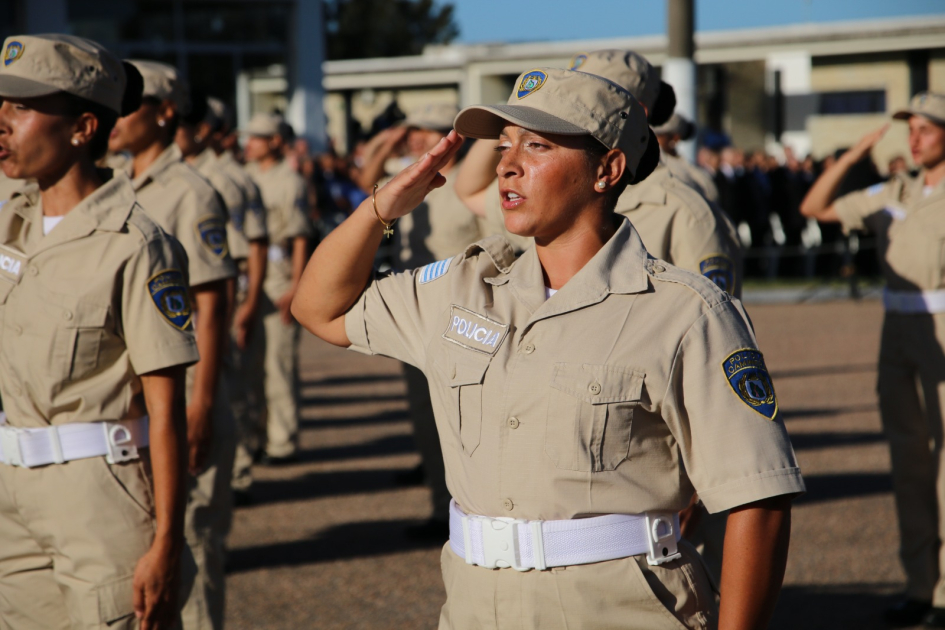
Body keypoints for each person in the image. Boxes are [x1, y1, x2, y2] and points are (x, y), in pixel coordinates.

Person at [293, 67, 804, 630]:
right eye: (504, 145)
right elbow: (319, 310)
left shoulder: (684, 312)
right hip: (475, 608)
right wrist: (380, 208)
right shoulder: (465, 289)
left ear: (607, 169)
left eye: (537, 145)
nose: (507, 164)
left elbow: (759, 500)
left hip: (618, 610)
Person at [0, 34, 195, 629]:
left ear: (84, 128)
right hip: (11, 495)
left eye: (24, 107)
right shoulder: (12, 218)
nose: (3, 122)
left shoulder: (137, 245)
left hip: (98, 495)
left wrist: (166, 541)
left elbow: (166, 409)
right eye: (1, 104)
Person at [801, 91, 945, 629]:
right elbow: (813, 208)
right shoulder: (893, 190)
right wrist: (852, 155)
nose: (915, 138)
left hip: (942, 331)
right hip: (897, 334)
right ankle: (919, 587)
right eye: (911, 128)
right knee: (908, 465)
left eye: (927, 129)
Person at [109, 60, 237, 630]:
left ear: (165, 114)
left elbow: (211, 304)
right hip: (133, 407)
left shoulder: (191, 192)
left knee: (191, 546)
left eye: (131, 105)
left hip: (184, 396)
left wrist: (201, 406)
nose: (116, 117)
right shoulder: (112, 182)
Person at [456, 50, 743, 298]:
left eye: (588, 91)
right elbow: (469, 191)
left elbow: (710, 322)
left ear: (633, 109)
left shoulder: (684, 211)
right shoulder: (552, 193)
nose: (505, 166)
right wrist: (516, 117)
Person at [360, 103, 484, 539]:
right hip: (416, 314)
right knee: (422, 413)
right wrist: (388, 140)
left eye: (425, 131)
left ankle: (465, 509)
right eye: (411, 131)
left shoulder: (474, 184)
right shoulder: (406, 179)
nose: (415, 139)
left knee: (466, 420)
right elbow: (364, 182)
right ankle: (439, 508)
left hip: (463, 319)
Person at [198, 97, 271, 501]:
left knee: (236, 382)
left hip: (231, 285)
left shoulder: (226, 178)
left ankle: (239, 471)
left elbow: (255, 245)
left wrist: (248, 302)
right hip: (203, 290)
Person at [243, 112, 313, 465]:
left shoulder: (291, 180)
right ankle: (256, 435)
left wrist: (297, 286)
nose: (249, 142)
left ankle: (282, 442)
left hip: (280, 273)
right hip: (250, 275)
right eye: (249, 136)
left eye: (258, 136)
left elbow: (301, 235)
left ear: (274, 141)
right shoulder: (245, 176)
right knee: (251, 366)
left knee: (278, 366)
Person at [654, 112, 720, 204]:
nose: (652, 138)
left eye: (659, 135)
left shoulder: (686, 169)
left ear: (675, 138)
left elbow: (711, 194)